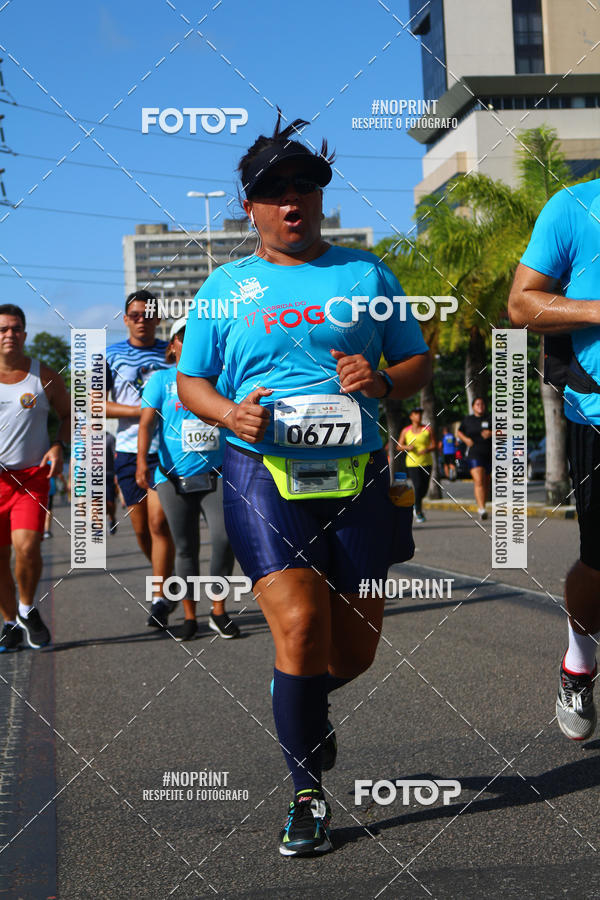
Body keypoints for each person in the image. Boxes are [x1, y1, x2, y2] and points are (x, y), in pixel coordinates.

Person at [176, 113, 431, 856]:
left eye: (304, 185)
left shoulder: (366, 274)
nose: (292, 199)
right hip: (261, 471)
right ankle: (307, 795)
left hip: (357, 469)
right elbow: (190, 380)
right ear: (249, 207)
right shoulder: (225, 288)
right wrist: (229, 412)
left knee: (351, 654)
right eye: (274, 190)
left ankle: (298, 698)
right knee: (297, 628)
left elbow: (416, 362)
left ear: (320, 197)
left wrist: (380, 380)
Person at [508, 176, 600, 742]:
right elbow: (522, 304)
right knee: (597, 566)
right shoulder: (573, 207)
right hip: (598, 413)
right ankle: (579, 659)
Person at [137, 318, 240, 642]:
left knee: (225, 539)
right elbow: (146, 423)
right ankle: (190, 615)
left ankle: (219, 611)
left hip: (217, 473)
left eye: (195, 337)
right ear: (172, 346)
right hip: (172, 477)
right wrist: (142, 462)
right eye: (183, 338)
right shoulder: (161, 379)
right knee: (185, 549)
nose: (190, 342)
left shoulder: (220, 379)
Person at [0, 304, 69, 651]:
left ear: (25, 334)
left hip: (31, 477)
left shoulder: (43, 376)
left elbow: (69, 415)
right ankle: (9, 622)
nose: (9, 334)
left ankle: (27, 608)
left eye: (15, 329)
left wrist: (58, 445)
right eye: (3, 329)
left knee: (26, 547)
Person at [106, 290, 175, 629]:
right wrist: (142, 411)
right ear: (125, 319)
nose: (141, 320)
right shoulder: (109, 355)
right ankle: (163, 574)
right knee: (141, 530)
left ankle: (160, 596)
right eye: (134, 315)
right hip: (129, 450)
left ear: (158, 318)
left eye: (147, 314)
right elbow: (93, 404)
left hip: (168, 449)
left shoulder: (173, 351)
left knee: (159, 523)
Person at [457, 397, 492, 520]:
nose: (480, 406)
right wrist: (466, 440)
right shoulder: (468, 420)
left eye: (482, 403)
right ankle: (481, 509)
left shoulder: (490, 418)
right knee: (479, 480)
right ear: (473, 407)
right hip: (474, 454)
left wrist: (491, 433)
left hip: (488, 454)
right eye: (477, 404)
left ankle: (483, 505)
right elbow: (459, 432)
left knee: (486, 482)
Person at [398, 407, 435, 523]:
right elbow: (398, 446)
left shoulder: (427, 429)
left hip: (426, 462)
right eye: (416, 414)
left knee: (424, 488)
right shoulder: (406, 430)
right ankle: (418, 511)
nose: (418, 416)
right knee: (418, 486)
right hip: (412, 463)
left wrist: (427, 449)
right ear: (411, 417)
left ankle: (416, 504)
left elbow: (434, 444)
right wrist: (407, 447)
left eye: (420, 414)